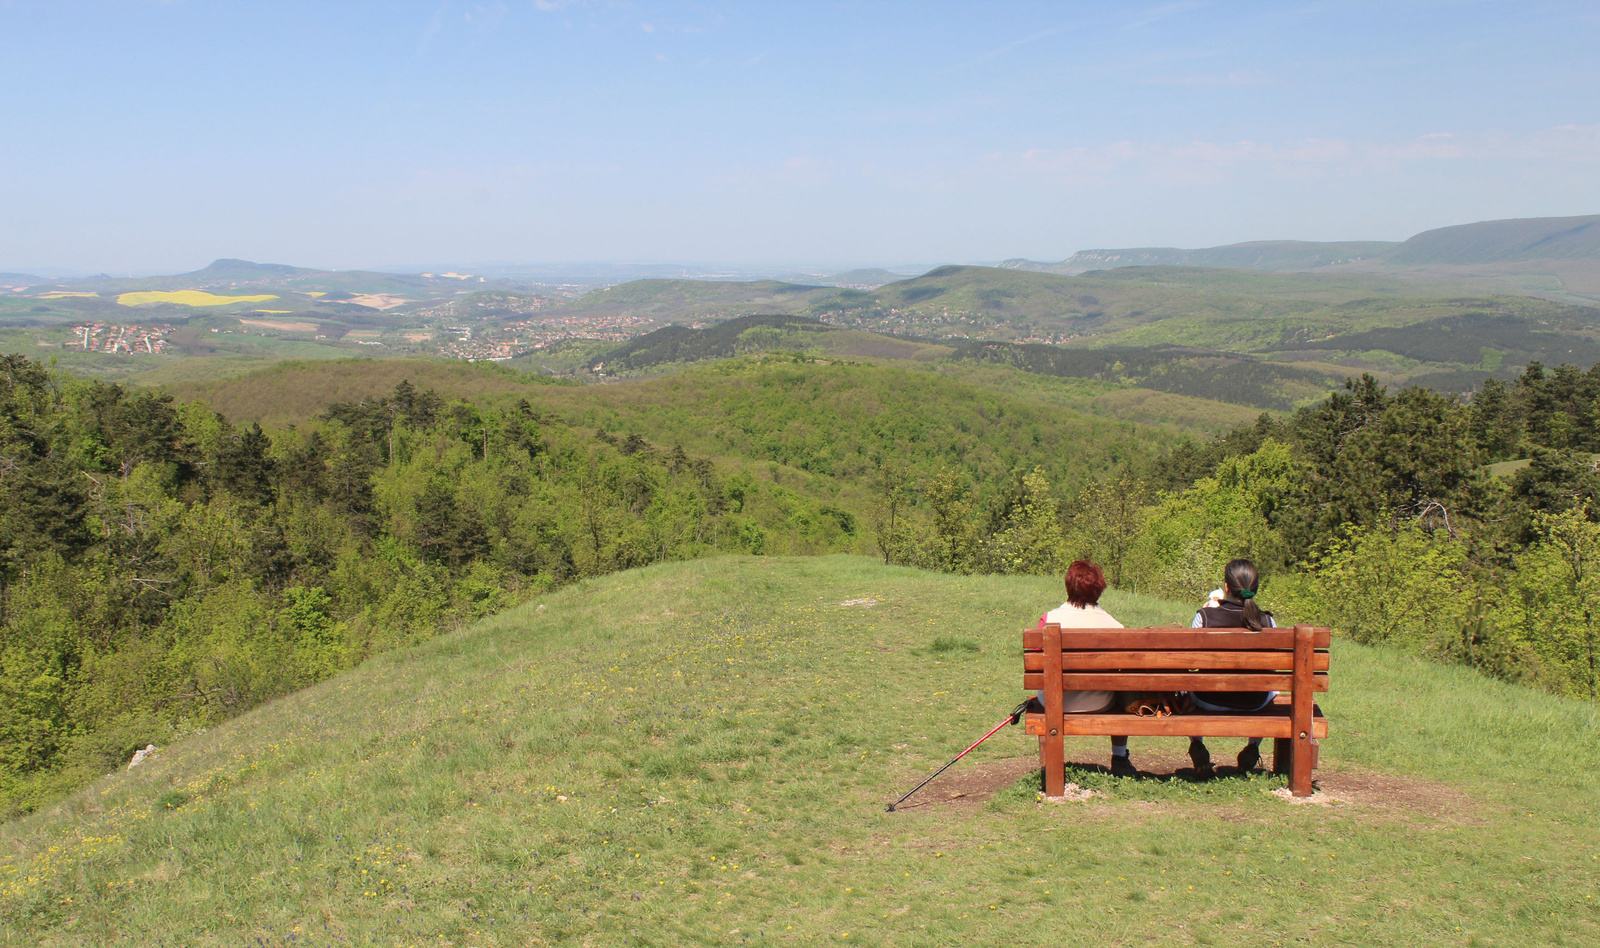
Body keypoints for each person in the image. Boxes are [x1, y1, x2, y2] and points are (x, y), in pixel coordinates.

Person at [1036, 560, 1138, 778]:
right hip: (1100, 702)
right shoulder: (1115, 627)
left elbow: (1037, 664)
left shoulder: (1049, 620)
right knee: (1122, 688)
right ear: (1099, 589)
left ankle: (1048, 765)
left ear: (1068, 586)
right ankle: (1119, 757)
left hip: (1055, 702)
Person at [1186, 558, 1276, 776]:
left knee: (1186, 684)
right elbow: (1272, 671)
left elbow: (1189, 664)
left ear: (1226, 587)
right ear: (1254, 589)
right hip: (1253, 702)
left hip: (1208, 700)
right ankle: (1253, 746)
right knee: (1273, 687)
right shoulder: (1266, 622)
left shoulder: (1204, 617)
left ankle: (1196, 742)